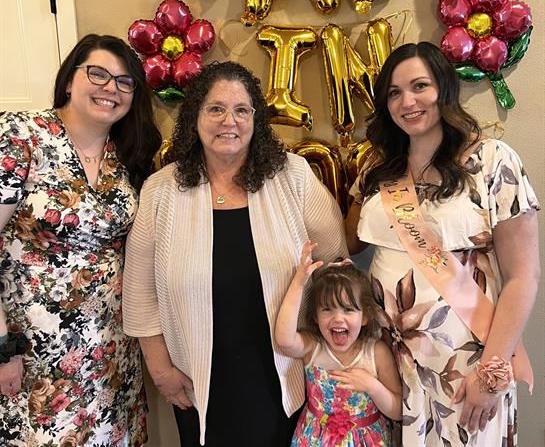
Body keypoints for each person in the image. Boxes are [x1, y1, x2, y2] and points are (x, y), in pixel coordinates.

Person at [122, 60, 348, 446]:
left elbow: (334, 264)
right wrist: (161, 372)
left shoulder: (293, 176)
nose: (230, 121)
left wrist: (327, 349)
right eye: (216, 109)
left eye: (242, 110)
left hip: (284, 373)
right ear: (194, 117)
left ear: (255, 120)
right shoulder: (161, 190)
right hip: (196, 378)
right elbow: (140, 292)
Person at [345, 41, 540, 446]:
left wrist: (490, 373)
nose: (407, 102)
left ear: (445, 89)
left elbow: (523, 277)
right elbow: (347, 242)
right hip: (392, 365)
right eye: (394, 92)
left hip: (467, 364)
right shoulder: (377, 166)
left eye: (420, 86)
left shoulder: (493, 160)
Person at [0, 34, 162, 446]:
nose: (111, 88)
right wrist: (2, 346)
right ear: (70, 80)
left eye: (124, 82)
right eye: (98, 74)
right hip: (32, 351)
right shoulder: (22, 135)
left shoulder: (127, 154)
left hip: (112, 349)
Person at [275, 240, 401, 446]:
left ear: (365, 316)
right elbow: (284, 339)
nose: (338, 318)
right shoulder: (313, 346)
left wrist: (373, 387)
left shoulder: (376, 353)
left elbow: (398, 411)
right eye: (327, 309)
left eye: (348, 309)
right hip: (315, 439)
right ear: (315, 316)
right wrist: (299, 282)